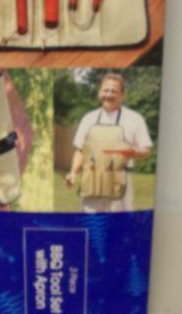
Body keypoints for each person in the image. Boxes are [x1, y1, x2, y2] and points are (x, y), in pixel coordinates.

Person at [65, 73, 152, 212]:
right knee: (92, 223)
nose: (109, 94)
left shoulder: (135, 119)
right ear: (99, 92)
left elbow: (146, 150)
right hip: (92, 182)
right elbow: (80, 150)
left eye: (114, 91)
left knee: (119, 224)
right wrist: (73, 173)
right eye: (105, 90)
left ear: (122, 95)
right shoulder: (88, 118)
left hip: (120, 182)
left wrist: (132, 152)